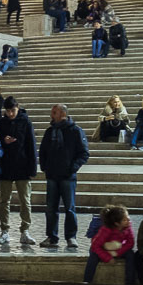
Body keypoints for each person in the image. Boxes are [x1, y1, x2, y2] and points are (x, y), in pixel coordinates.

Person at [39, 104, 88, 249]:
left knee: (70, 208)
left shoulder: (75, 131)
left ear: (62, 114)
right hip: (52, 175)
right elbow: (43, 151)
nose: (51, 115)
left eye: (54, 112)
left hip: (68, 176)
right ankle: (52, 236)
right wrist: (45, 167)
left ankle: (71, 236)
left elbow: (84, 153)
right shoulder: (50, 132)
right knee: (51, 208)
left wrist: (72, 168)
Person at [0, 97, 38, 246]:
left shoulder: (25, 122)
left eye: (12, 110)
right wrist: (3, 140)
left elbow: (31, 145)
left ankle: (25, 230)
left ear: (17, 108)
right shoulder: (1, 123)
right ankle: (4, 230)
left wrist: (33, 168)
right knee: (4, 200)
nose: (10, 114)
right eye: (7, 111)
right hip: (5, 166)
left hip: (22, 166)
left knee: (25, 200)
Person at [80, 205, 139, 285]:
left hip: (117, 248)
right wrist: (107, 257)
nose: (128, 221)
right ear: (116, 223)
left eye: (128, 218)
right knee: (93, 259)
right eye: (125, 220)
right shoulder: (105, 230)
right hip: (101, 249)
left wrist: (117, 253)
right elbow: (95, 246)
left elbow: (130, 243)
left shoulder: (128, 226)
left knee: (131, 255)